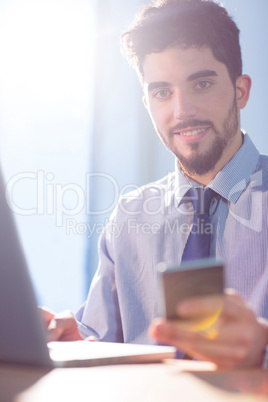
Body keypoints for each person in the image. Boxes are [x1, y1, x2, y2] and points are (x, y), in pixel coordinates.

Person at [43, 0, 268, 369]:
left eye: (202, 83)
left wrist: (262, 354)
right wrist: (76, 345)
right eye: (163, 92)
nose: (182, 111)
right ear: (148, 103)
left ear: (240, 90)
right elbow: (105, 344)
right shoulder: (129, 219)